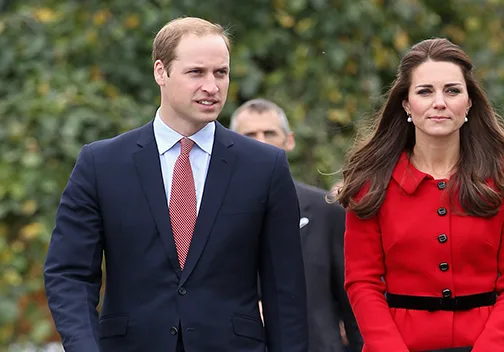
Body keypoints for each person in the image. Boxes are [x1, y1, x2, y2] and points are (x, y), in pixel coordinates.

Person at [43, 17, 308, 352]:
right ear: (160, 72)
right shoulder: (101, 163)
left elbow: (285, 291)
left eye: (221, 73)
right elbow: (69, 274)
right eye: (196, 72)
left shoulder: (265, 166)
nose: (212, 86)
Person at [335, 38, 504, 352]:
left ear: (469, 102)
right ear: (406, 103)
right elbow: (362, 283)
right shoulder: (371, 183)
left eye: (452, 90)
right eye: (425, 91)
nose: (439, 102)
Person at [229, 98, 363, 352]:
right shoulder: (212, 213)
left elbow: (354, 301)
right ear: (232, 144)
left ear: (289, 140)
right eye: (249, 134)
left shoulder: (327, 211)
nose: (261, 141)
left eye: (269, 133)